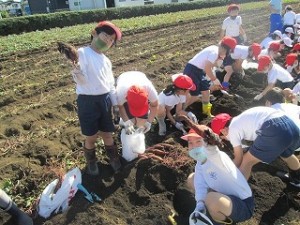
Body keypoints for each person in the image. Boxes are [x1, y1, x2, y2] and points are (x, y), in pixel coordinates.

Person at [71, 21, 122, 175]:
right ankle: (91, 161)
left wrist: (115, 105)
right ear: (94, 32)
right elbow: (81, 81)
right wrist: (77, 69)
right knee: (91, 136)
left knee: (107, 133)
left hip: (105, 100)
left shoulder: (106, 61)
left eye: (111, 40)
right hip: (87, 101)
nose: (108, 40)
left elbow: (111, 85)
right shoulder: (83, 53)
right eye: (106, 35)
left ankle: (113, 158)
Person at [210, 108, 300, 187]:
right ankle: (297, 178)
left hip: (273, 129)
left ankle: (238, 190)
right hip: (290, 126)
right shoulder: (241, 119)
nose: (224, 138)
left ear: (223, 130)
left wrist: (225, 172)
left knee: (246, 161)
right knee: (286, 154)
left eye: (222, 136)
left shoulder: (232, 129)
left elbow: (238, 159)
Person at [182, 126, 254, 224]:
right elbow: (200, 184)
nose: (194, 146)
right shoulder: (200, 163)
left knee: (210, 199)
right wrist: (199, 204)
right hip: (223, 196)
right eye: (190, 143)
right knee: (192, 179)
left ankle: (221, 221)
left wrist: (210, 144)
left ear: (207, 143)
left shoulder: (218, 157)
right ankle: (213, 210)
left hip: (243, 204)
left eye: (198, 142)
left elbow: (213, 152)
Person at [183, 36, 237, 117]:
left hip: (199, 71)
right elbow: (207, 68)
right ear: (225, 49)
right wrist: (215, 80)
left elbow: (210, 68)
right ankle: (181, 110)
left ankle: (206, 112)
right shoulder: (214, 53)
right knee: (194, 95)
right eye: (227, 53)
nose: (226, 55)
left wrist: (213, 79)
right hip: (192, 70)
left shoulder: (215, 49)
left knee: (206, 91)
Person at [116, 71, 158, 135]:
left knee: (141, 124)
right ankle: (122, 120)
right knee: (131, 122)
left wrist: (149, 122)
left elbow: (154, 105)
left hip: (139, 75)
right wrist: (127, 123)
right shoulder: (120, 93)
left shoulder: (149, 89)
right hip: (123, 78)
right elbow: (120, 107)